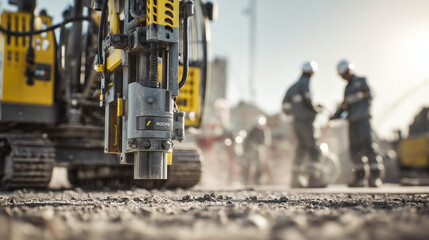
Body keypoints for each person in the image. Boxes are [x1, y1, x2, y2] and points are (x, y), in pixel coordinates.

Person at [333, 60, 384, 187]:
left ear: (348, 71)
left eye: (343, 74)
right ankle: (359, 178)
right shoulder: (346, 88)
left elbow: (371, 94)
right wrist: (334, 116)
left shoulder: (361, 81)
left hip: (363, 119)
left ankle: (374, 177)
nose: (342, 77)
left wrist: (366, 92)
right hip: (352, 122)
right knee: (355, 149)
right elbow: (344, 107)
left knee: (368, 145)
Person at [282, 61, 325, 188]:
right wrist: (316, 109)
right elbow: (308, 100)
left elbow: (285, 107)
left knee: (301, 149)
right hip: (306, 122)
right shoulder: (305, 83)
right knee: (314, 150)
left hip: (296, 122)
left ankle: (296, 180)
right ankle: (313, 179)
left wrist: (295, 113)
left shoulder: (292, 87)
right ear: (312, 72)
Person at [242, 115, 272, 184]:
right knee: (249, 164)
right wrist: (248, 149)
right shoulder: (252, 131)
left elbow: (267, 142)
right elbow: (247, 141)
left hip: (261, 152)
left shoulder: (265, 130)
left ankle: (258, 180)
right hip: (251, 151)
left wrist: (262, 147)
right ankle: (246, 181)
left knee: (260, 165)